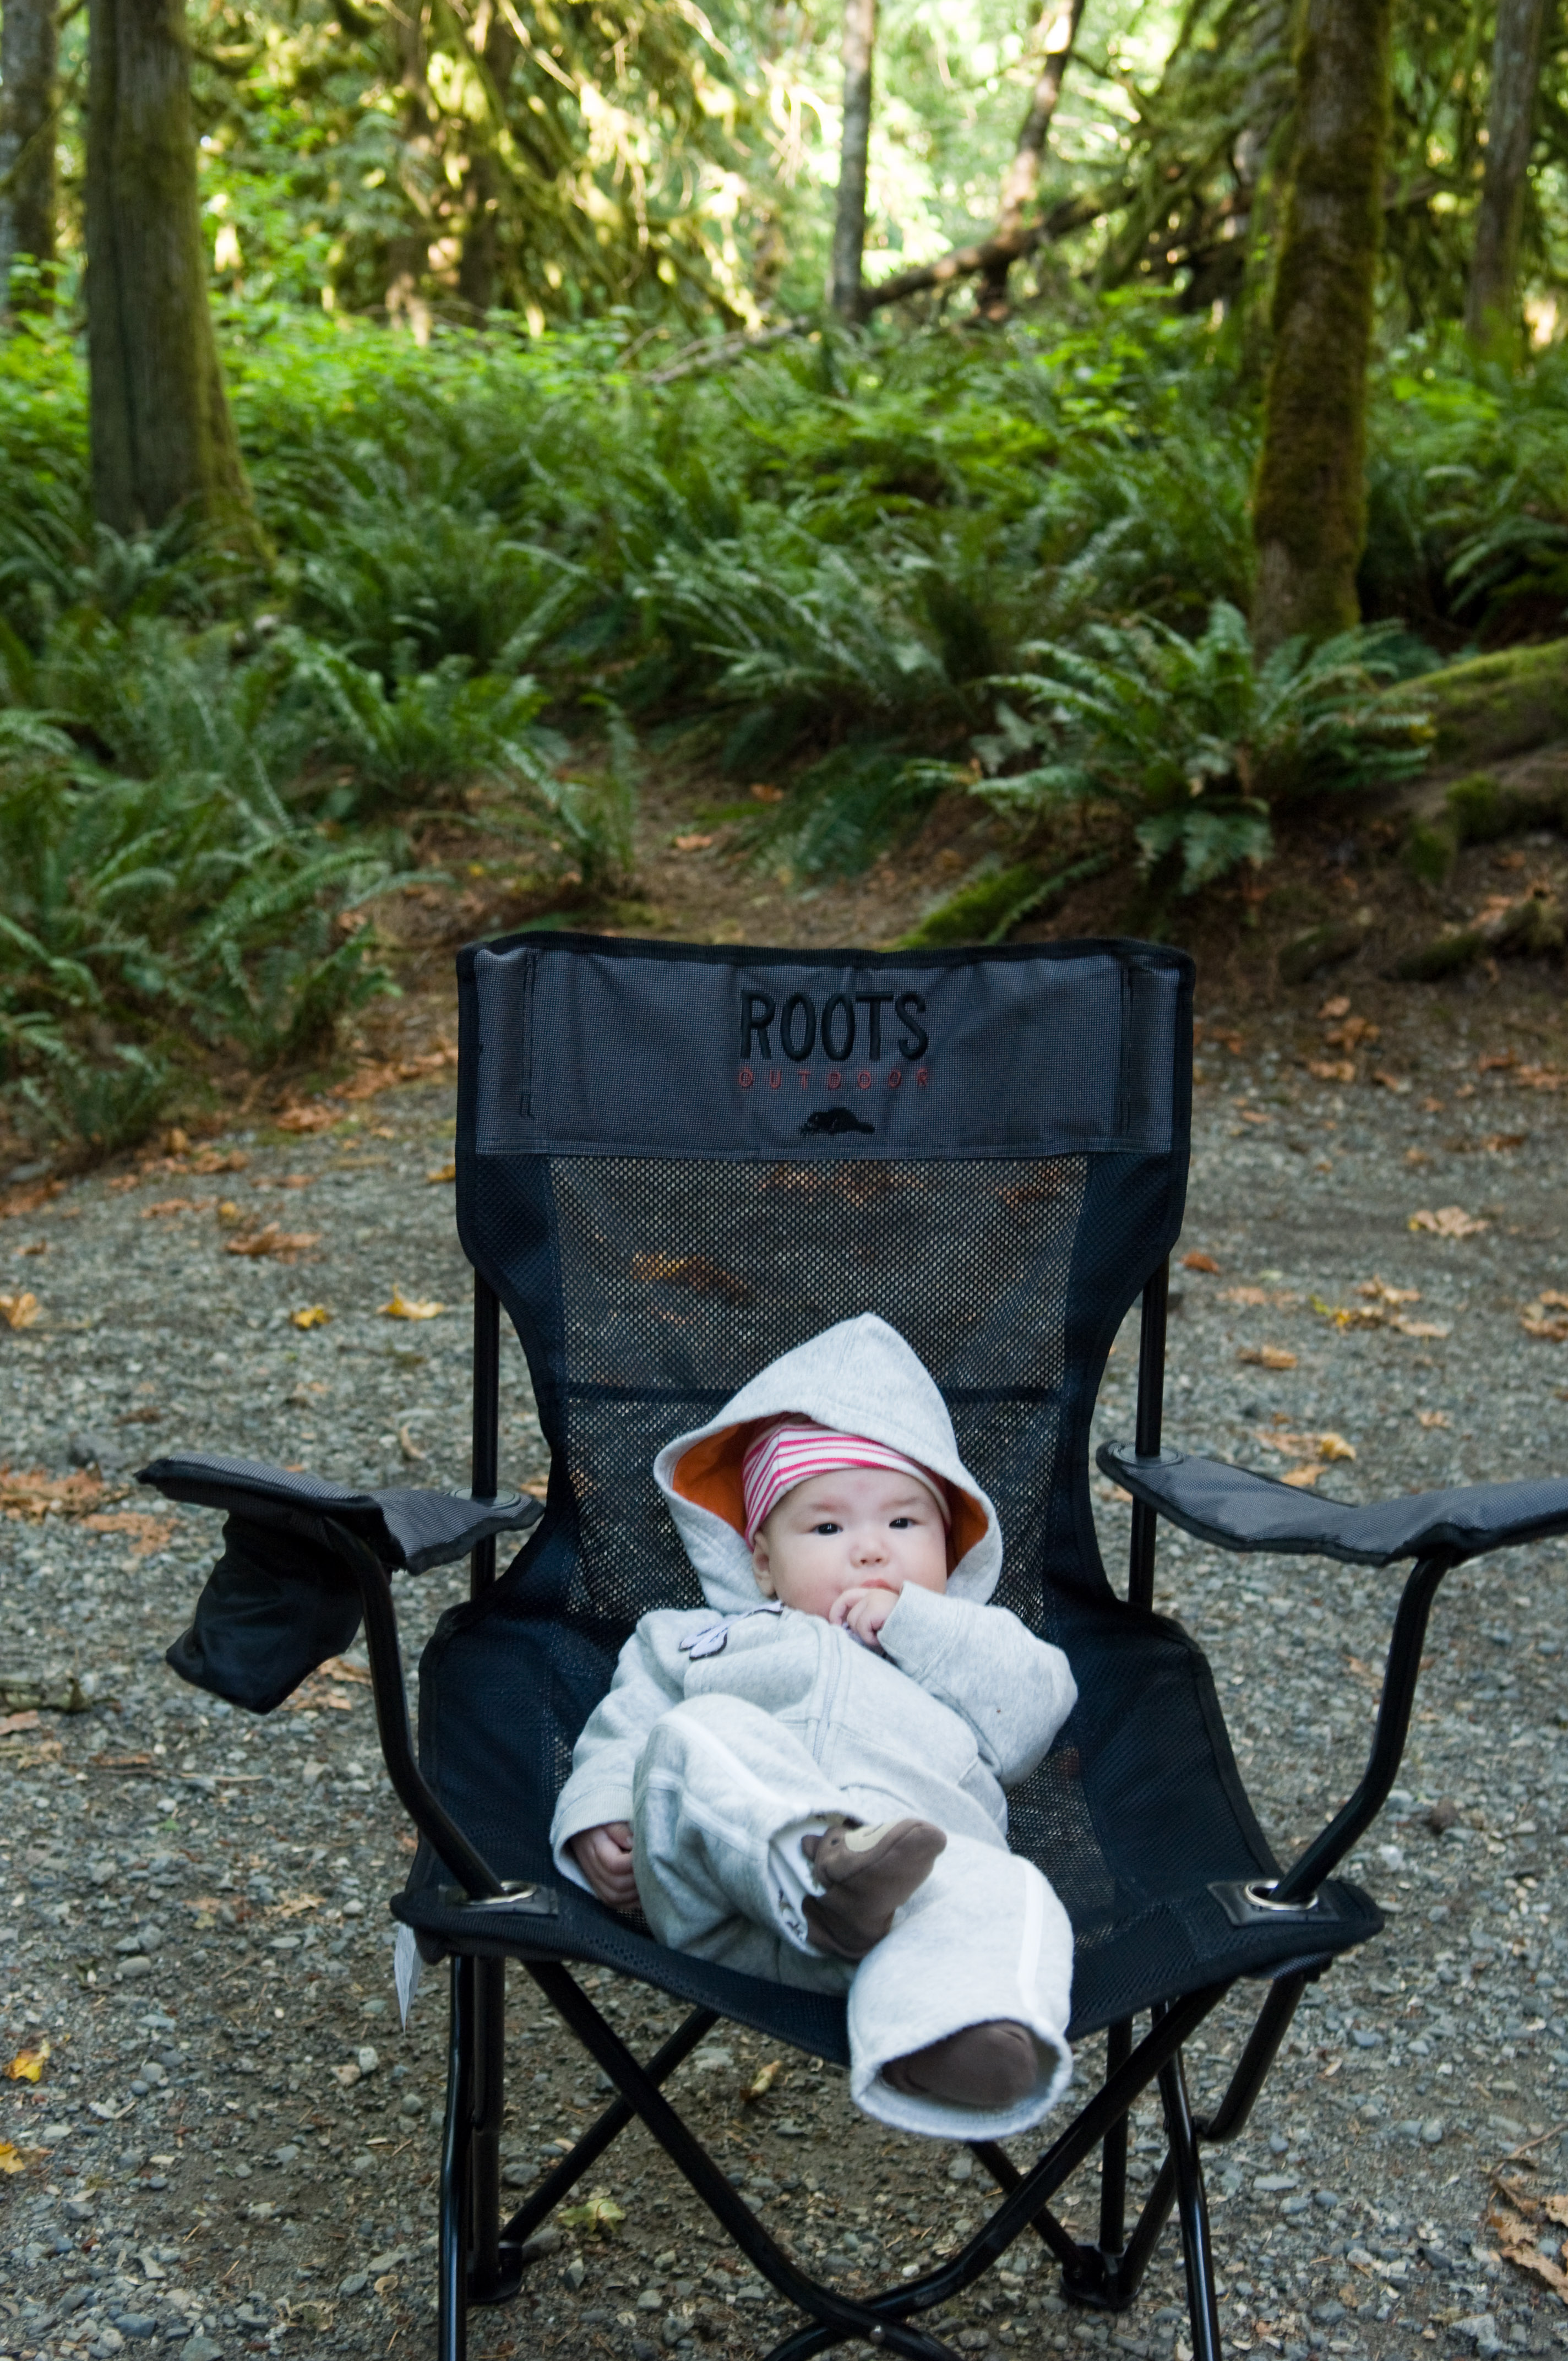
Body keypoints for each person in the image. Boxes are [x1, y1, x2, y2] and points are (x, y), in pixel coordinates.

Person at [550, 1312, 1078, 2139]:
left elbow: (1032, 1720)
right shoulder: (694, 1638)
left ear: (952, 1545)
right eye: (828, 1528)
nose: (871, 1551)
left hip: (898, 1920)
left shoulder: (969, 1645)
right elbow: (626, 1727)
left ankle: (951, 2033)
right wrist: (598, 1812)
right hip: (723, 1898)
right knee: (696, 1734)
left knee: (1012, 1889)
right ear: (762, 1562)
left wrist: (919, 1626)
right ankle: (816, 1867)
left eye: (904, 1524)